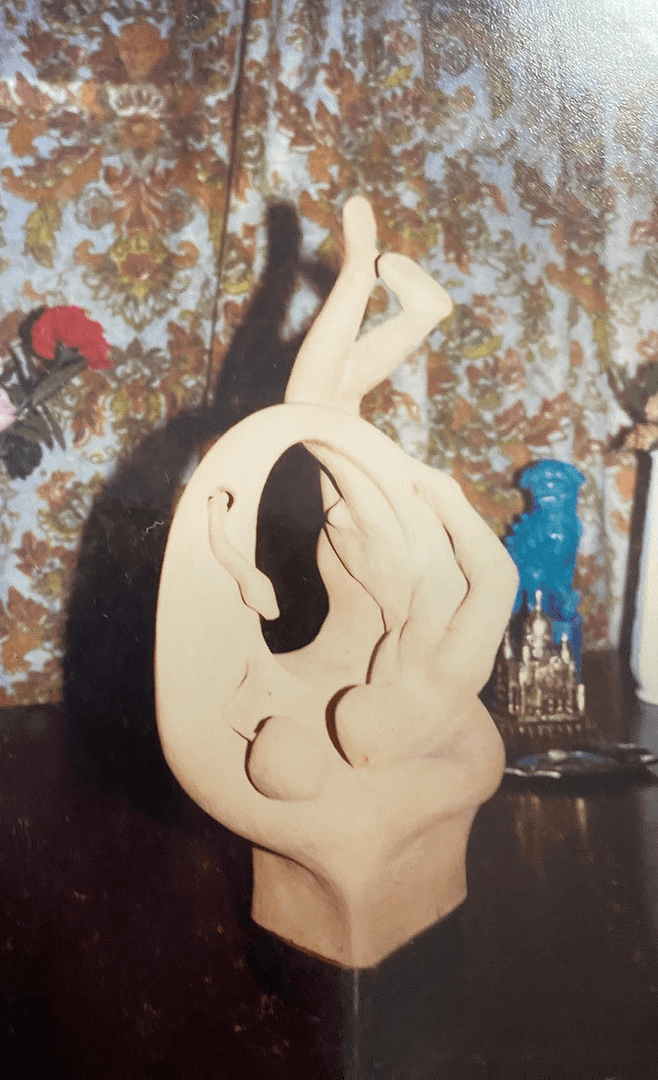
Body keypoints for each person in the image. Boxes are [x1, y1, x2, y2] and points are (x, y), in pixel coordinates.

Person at [154, 197, 518, 967]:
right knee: (318, 407)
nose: (341, 723)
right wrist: (447, 503)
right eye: (358, 739)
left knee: (318, 405)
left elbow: (495, 581)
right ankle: (379, 292)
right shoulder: (440, 672)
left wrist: (228, 548)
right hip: (390, 552)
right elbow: (497, 580)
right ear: (391, 747)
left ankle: (384, 294)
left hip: (370, 558)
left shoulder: (409, 681)